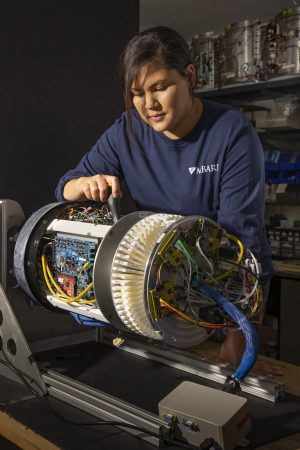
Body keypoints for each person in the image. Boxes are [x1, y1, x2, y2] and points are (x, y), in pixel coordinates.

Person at [55, 26, 275, 370]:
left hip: (219, 305)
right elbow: (65, 187)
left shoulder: (231, 134)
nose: (149, 106)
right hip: (154, 301)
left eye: (160, 87)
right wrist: (84, 184)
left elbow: (245, 245)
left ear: (189, 76)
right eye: (137, 93)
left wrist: (240, 336)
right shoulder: (126, 132)